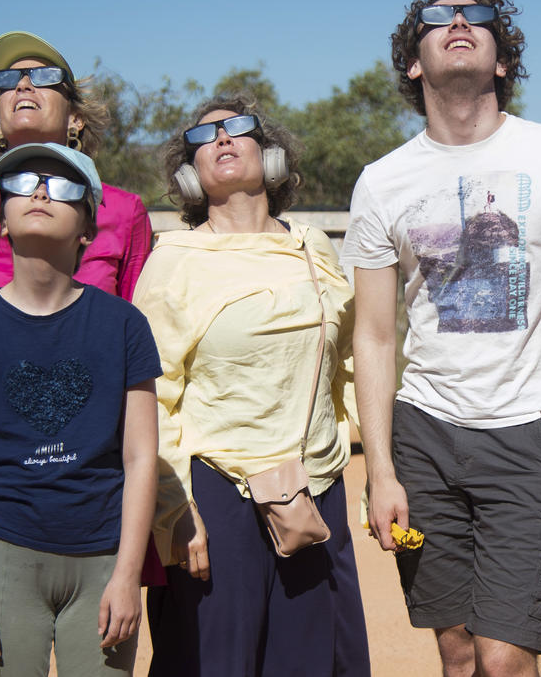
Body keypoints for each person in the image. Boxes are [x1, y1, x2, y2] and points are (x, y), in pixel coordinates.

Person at [341, 0, 541, 676]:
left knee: (505, 658)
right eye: (436, 19)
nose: (457, 25)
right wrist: (380, 469)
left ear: (503, 60)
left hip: (530, 434)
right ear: (413, 62)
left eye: (475, 17)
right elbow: (375, 336)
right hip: (425, 436)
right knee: (458, 653)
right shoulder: (382, 182)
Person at [132, 95, 369, 676]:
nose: (221, 140)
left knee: (312, 661)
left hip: (314, 491)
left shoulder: (314, 248)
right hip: (216, 496)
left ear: (270, 155)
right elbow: (151, 397)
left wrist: (376, 470)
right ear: (190, 173)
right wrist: (175, 510)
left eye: (238, 130)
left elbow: (350, 365)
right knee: (215, 661)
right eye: (203, 137)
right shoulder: (173, 260)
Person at [0, 143, 160, 676]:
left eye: (63, 187)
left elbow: (139, 460)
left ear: (88, 228)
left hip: (103, 560)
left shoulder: (124, 325)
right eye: (22, 183)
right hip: (1, 553)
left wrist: (127, 575)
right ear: (1, 224)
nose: (40, 191)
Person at [0, 31, 152, 324]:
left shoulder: (124, 212)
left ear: (75, 118)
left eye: (45, 76)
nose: (23, 85)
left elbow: (139, 327)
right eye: (7, 79)